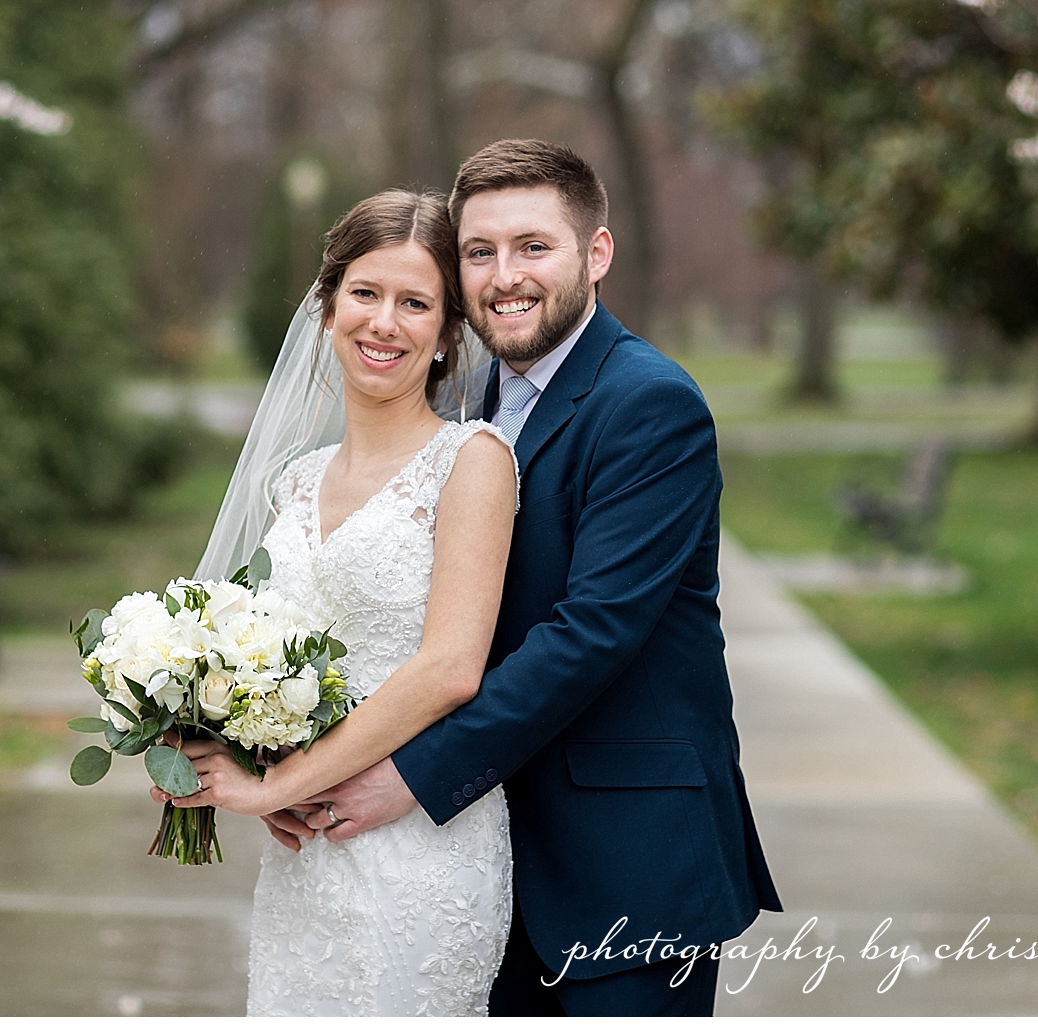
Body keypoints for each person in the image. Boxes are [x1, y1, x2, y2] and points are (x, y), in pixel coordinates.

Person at [277, 140, 781, 1014]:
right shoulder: (467, 413)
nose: (504, 277)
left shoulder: (649, 404)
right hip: (482, 868)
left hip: (623, 861)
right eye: (480, 253)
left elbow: (592, 634)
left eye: (533, 247)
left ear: (596, 254)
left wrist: (411, 774)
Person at [159, 188, 521, 1015]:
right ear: (327, 309)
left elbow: (450, 669)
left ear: (446, 335)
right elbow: (258, 665)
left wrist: (272, 787)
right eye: (365, 293)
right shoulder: (293, 481)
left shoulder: (472, 462)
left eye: (415, 302)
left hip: (423, 845)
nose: (384, 323)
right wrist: (234, 760)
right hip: (305, 853)